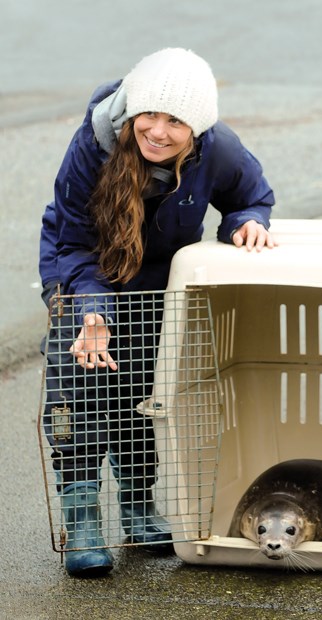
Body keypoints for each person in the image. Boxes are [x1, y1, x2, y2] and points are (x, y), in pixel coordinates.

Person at [39, 47, 276, 578]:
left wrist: (245, 221)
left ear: (198, 127)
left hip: (154, 287)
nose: (159, 131)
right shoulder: (92, 147)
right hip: (79, 277)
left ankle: (139, 509)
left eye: (176, 121)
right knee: (81, 391)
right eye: (150, 114)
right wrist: (91, 315)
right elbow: (75, 246)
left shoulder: (220, 149)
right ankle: (81, 519)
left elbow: (251, 193)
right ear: (131, 112)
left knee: (142, 393)